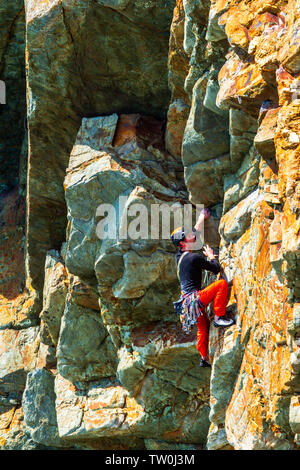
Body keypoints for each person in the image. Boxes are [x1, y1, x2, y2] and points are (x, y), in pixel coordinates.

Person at [171, 208, 235, 367]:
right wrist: (211, 256)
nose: (193, 235)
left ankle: (204, 357)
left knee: (203, 327)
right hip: (195, 299)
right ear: (183, 242)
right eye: (188, 235)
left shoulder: (180, 256)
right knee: (221, 284)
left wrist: (202, 217)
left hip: (187, 305)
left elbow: (195, 232)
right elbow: (215, 268)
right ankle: (220, 317)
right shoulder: (194, 258)